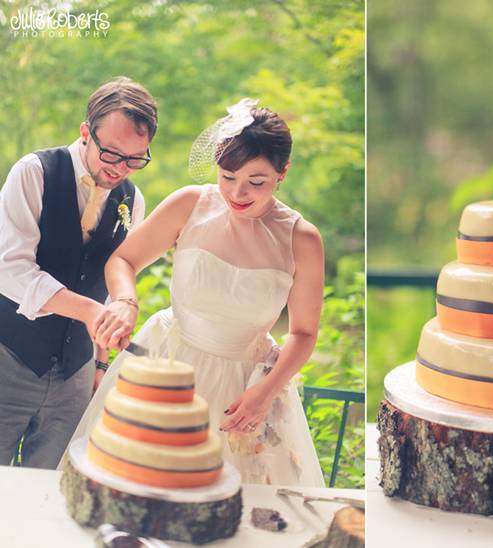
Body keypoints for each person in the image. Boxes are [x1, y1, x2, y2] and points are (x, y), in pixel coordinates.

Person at [68, 99, 325, 486]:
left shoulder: (301, 239)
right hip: (167, 363)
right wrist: (125, 300)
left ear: (282, 172)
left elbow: (304, 333)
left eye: (256, 182)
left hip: (245, 385)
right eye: (227, 176)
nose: (238, 193)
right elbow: (122, 261)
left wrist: (265, 393)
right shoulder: (191, 204)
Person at [0, 77, 153, 469]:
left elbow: (108, 286)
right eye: (113, 154)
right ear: (86, 133)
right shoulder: (34, 172)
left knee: (51, 490)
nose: (122, 169)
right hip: (9, 358)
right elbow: (11, 269)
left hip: (76, 374)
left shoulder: (133, 201)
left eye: (136, 158)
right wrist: (88, 311)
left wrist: (100, 364)